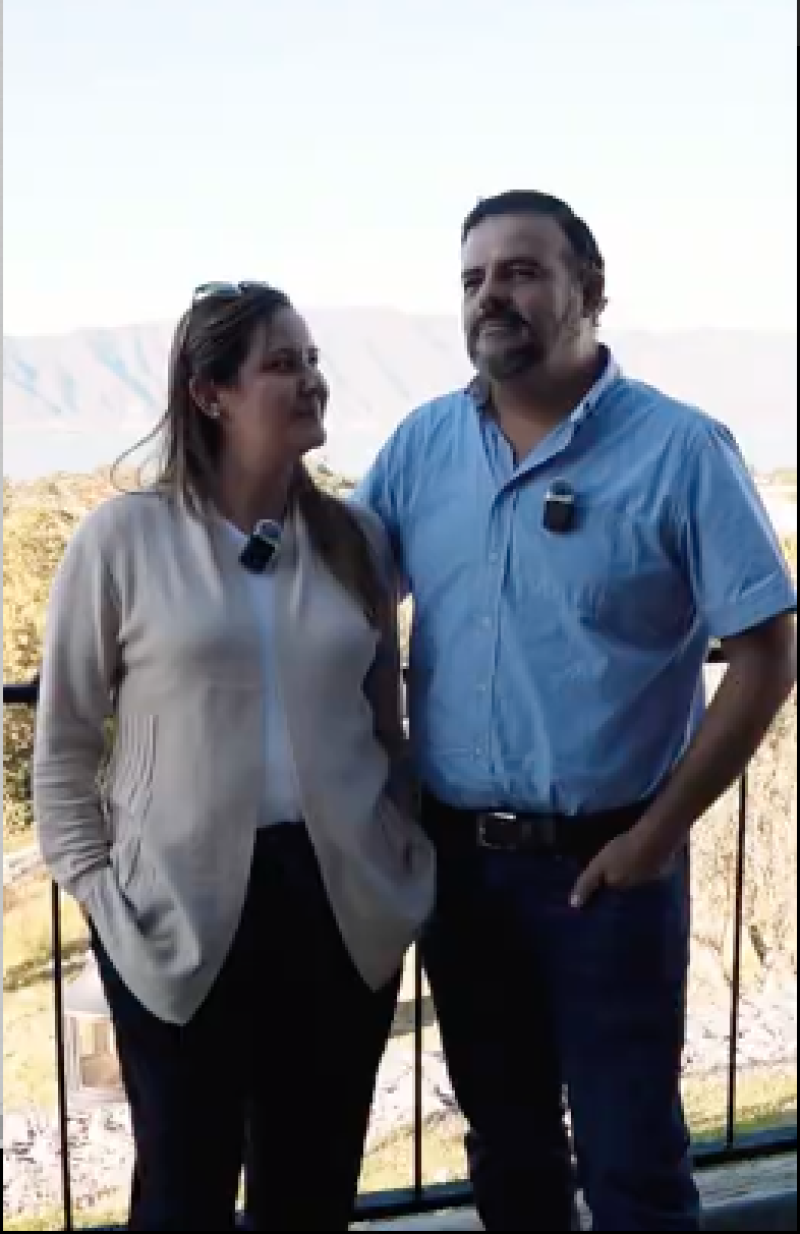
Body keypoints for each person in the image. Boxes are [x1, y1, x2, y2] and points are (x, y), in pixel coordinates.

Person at [354, 190, 797, 1232]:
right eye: (472, 278)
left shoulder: (680, 450)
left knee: (631, 1158)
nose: (489, 296)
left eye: (519, 271)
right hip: (459, 868)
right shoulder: (421, 447)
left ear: (587, 289)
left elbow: (768, 653)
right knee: (507, 1149)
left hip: (611, 870)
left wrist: (657, 835)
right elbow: (347, 605)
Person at [33, 280, 436, 1232]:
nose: (311, 381)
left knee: (312, 1191)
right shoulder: (122, 541)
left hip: (340, 908)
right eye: (282, 364)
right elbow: (65, 748)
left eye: (313, 360)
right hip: (175, 909)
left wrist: (400, 858)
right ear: (210, 393)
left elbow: (387, 730)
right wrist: (102, 893)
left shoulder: (356, 542)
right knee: (184, 1193)